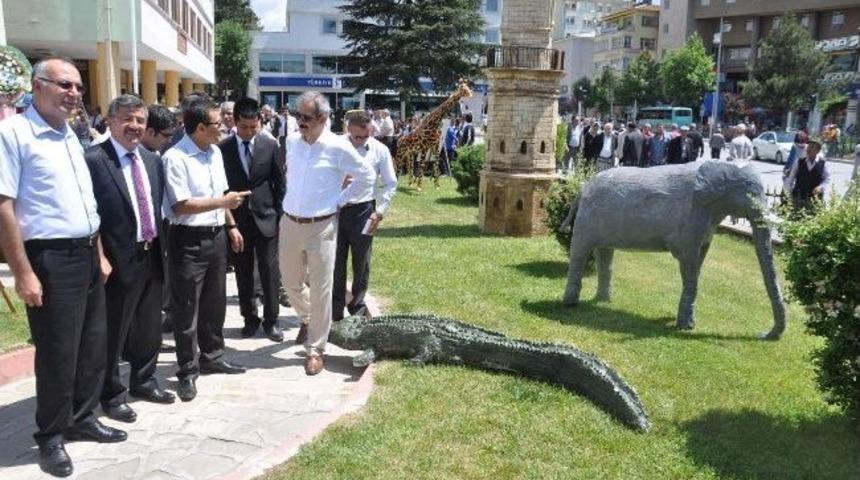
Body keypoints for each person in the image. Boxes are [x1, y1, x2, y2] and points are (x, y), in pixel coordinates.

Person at [0, 58, 125, 478]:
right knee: (58, 352)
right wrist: (23, 272)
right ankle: (51, 435)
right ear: (37, 86)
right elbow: (4, 206)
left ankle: (83, 417)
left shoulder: (71, 134)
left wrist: (99, 252)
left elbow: (85, 203)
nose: (74, 93)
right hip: (50, 258)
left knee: (92, 343)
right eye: (64, 85)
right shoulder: (14, 134)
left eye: (77, 87)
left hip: (87, 252)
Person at [85, 95, 176, 426]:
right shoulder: (94, 160)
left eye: (140, 119)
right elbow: (89, 214)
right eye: (127, 118)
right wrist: (99, 257)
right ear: (109, 121)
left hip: (151, 254)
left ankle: (144, 379)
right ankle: (111, 394)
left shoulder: (152, 160)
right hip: (116, 261)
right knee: (114, 331)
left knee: (149, 326)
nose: (134, 126)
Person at [279, 91, 374, 376]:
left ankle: (316, 349)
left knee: (322, 289)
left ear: (323, 119)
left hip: (322, 226)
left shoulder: (338, 147)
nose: (300, 122)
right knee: (290, 282)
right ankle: (309, 319)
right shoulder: (292, 141)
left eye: (306, 117)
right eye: (298, 115)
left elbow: (367, 176)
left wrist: (339, 201)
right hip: (290, 222)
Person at [163, 96, 250, 402]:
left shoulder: (214, 152)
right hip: (187, 240)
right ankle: (187, 370)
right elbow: (181, 205)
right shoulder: (175, 158)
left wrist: (231, 225)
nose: (224, 128)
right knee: (187, 308)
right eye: (218, 123)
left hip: (216, 237)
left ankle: (212, 356)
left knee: (215, 303)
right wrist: (223, 203)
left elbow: (219, 192)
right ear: (200, 127)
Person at [219, 98, 285, 342]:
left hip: (267, 217)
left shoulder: (270, 145)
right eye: (244, 127)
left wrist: (280, 216)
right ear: (235, 122)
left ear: (259, 122)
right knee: (243, 271)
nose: (248, 132)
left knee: (269, 270)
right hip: (238, 222)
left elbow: (280, 184)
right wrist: (230, 223)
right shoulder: (223, 149)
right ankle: (250, 318)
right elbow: (221, 187)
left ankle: (272, 320)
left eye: (253, 127)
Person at [333, 110, 397, 322]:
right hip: (335, 210)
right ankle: (334, 311)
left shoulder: (380, 150)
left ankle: (358, 309)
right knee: (335, 262)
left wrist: (380, 212)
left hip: (364, 211)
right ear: (348, 129)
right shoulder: (336, 146)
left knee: (362, 262)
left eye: (365, 136)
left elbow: (390, 183)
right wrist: (338, 184)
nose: (360, 140)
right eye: (356, 137)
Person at [784, 137, 831, 211]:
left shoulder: (823, 163)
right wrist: (788, 192)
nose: (808, 149)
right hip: (798, 197)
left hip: (814, 199)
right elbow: (790, 178)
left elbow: (827, 179)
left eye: (812, 147)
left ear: (818, 150)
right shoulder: (799, 162)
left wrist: (820, 187)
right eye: (808, 146)